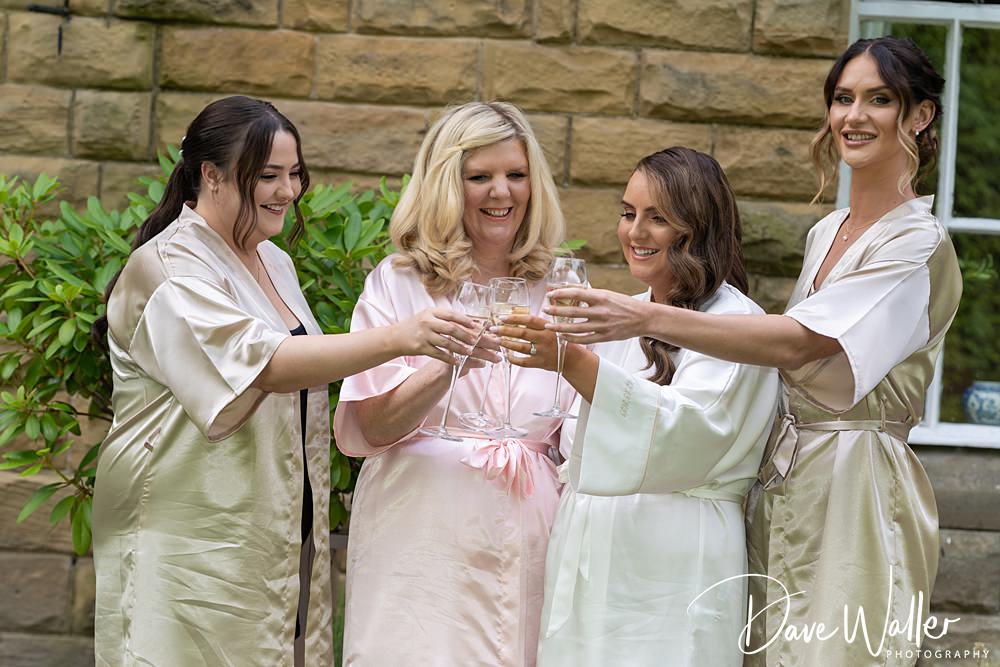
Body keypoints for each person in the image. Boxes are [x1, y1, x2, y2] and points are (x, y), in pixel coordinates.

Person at [543, 37, 962, 665]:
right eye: (842, 98)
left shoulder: (918, 245)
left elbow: (798, 343)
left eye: (879, 100)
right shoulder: (828, 232)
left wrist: (644, 313)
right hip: (786, 478)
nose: (853, 116)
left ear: (919, 116)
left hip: (858, 483)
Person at [91, 96, 483, 667]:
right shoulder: (170, 267)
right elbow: (266, 365)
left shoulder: (274, 260)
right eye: (267, 176)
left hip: (270, 526)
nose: (288, 190)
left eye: (294, 173)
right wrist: (404, 336)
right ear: (211, 175)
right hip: (188, 532)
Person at [494, 147, 779, 666]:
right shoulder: (628, 313)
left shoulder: (735, 324)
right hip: (593, 547)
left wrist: (572, 363)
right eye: (628, 213)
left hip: (673, 555)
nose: (635, 232)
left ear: (699, 228)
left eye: (658, 218)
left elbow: (689, 435)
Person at [332, 101, 573, 666]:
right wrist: (447, 364)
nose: (502, 192)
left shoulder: (558, 288)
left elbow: (578, 431)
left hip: (530, 528)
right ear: (446, 183)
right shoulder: (398, 284)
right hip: (422, 532)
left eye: (516, 175)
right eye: (479, 177)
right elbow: (371, 425)